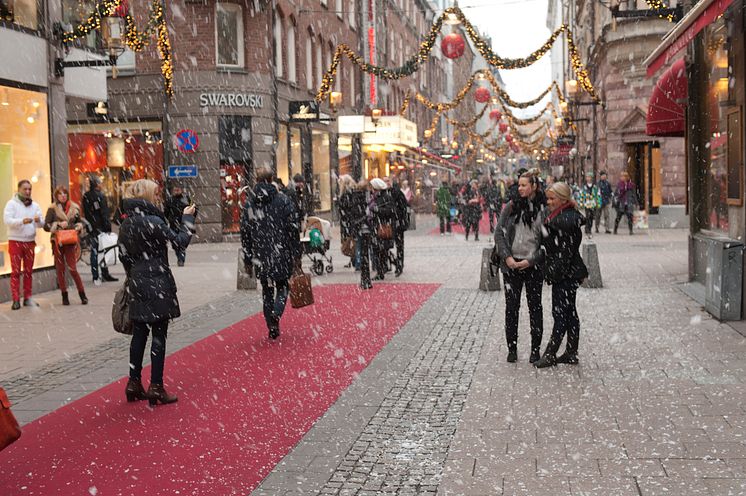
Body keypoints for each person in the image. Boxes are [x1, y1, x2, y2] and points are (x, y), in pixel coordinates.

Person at [118, 179, 195, 405]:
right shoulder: (153, 221)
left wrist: (133, 273)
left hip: (137, 281)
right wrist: (187, 218)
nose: (159, 198)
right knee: (159, 335)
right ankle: (156, 386)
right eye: (156, 194)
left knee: (139, 333)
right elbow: (180, 242)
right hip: (158, 282)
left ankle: (133, 382)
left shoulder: (126, 223)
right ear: (149, 197)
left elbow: (124, 255)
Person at [240, 166, 301, 339]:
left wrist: (248, 257)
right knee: (283, 286)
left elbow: (245, 232)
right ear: (271, 178)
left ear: (257, 180)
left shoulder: (251, 203)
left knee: (267, 289)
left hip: (261, 253)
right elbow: (293, 229)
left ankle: (271, 324)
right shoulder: (282, 200)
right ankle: (276, 314)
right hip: (281, 250)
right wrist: (296, 253)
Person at [534, 182, 588, 369]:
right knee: (570, 312)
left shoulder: (564, 221)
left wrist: (554, 272)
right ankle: (571, 351)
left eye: (552, 198)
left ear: (563, 199)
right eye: (548, 198)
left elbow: (563, 252)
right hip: (568, 272)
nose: (549, 202)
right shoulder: (564, 217)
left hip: (564, 274)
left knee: (560, 313)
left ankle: (550, 353)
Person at [495, 171, 545, 363]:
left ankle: (535, 349)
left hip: (533, 265)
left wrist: (531, 261)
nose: (520, 188)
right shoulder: (511, 206)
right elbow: (499, 233)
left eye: (524, 185)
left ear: (534, 186)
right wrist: (507, 257)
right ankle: (512, 348)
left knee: (535, 307)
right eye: (519, 185)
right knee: (511, 308)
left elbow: (546, 242)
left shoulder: (543, 208)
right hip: (512, 265)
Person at [43, 186, 88, 306]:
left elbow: (79, 222)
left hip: (71, 241)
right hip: (58, 242)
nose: (63, 196)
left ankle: (82, 294)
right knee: (60, 269)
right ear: (56, 196)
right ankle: (64, 296)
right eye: (60, 194)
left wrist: (78, 227)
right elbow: (46, 226)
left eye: (65, 194)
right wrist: (57, 225)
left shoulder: (74, 207)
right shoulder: (52, 209)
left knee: (73, 268)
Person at [3, 180, 44, 310]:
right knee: (15, 272)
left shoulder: (35, 205)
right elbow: (7, 220)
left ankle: (28, 297)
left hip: (30, 242)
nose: (27, 192)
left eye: (29, 189)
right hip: (15, 241)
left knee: (28, 272)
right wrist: (22, 221)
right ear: (19, 189)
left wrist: (39, 221)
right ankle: (16, 299)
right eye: (25, 189)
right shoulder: (11, 204)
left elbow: (41, 224)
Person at [82, 176, 118, 285]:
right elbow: (104, 213)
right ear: (97, 184)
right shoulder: (100, 196)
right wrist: (107, 227)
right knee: (103, 250)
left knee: (94, 251)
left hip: (92, 227)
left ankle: (95, 275)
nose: (101, 185)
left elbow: (87, 212)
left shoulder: (86, 196)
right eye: (100, 183)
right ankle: (104, 273)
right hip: (100, 227)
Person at [164, 184, 196, 267]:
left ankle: (181, 259)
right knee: (175, 243)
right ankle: (179, 256)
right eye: (175, 190)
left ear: (181, 190)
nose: (176, 191)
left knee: (182, 243)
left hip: (184, 223)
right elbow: (166, 212)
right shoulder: (170, 200)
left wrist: (190, 218)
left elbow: (194, 209)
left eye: (178, 189)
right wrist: (167, 219)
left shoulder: (186, 199)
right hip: (173, 224)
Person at [369, 178, 395, 281]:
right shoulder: (374, 197)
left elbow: (390, 211)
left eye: (372, 187)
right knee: (378, 250)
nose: (371, 189)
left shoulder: (385, 197)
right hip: (376, 227)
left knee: (381, 250)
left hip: (382, 227)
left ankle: (382, 270)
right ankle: (382, 269)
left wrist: (377, 210)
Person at [388, 176, 409, 277]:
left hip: (396, 224)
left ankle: (398, 264)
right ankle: (398, 263)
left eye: (388, 181)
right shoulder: (395, 193)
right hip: (396, 223)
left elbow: (402, 208)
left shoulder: (394, 194)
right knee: (398, 246)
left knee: (398, 245)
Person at [337, 175, 359, 268]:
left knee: (349, 242)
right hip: (349, 221)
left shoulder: (347, 194)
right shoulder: (352, 192)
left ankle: (355, 258)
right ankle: (354, 259)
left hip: (348, 221)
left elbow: (346, 208)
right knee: (351, 241)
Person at [577, 171, 601, 238]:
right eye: (587, 177)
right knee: (587, 216)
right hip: (587, 204)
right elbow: (581, 195)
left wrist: (598, 203)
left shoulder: (595, 187)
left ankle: (589, 227)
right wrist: (581, 203)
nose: (588, 178)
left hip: (593, 204)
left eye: (589, 177)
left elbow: (598, 195)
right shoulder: (584, 187)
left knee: (591, 217)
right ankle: (587, 229)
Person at [614, 171, 637, 235]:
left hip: (629, 203)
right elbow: (616, 193)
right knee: (618, 217)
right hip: (622, 203)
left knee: (630, 217)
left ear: (626, 177)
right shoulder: (619, 184)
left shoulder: (631, 185)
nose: (622, 177)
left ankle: (631, 230)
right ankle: (615, 229)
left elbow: (634, 194)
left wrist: (636, 203)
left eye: (623, 176)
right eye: (621, 176)